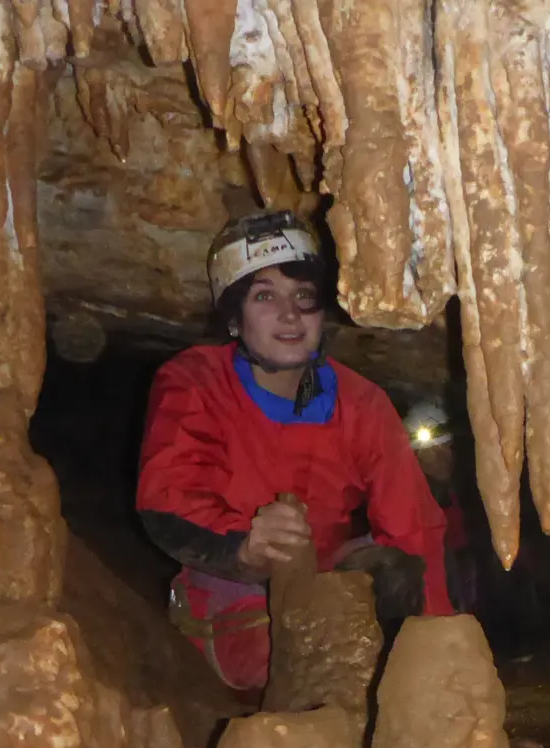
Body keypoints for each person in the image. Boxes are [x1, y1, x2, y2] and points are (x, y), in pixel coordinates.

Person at [138, 210, 453, 691]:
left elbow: (412, 525)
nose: (290, 314)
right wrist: (243, 545)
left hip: (325, 575)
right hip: (232, 584)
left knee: (390, 576)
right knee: (302, 655)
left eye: (303, 297)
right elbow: (168, 495)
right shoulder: (196, 381)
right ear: (233, 319)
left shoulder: (362, 403)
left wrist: (438, 645)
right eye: (264, 296)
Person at [404, 397, 479, 614]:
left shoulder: (462, 485)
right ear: (415, 457)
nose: (445, 458)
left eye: (447, 448)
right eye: (435, 452)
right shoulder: (409, 498)